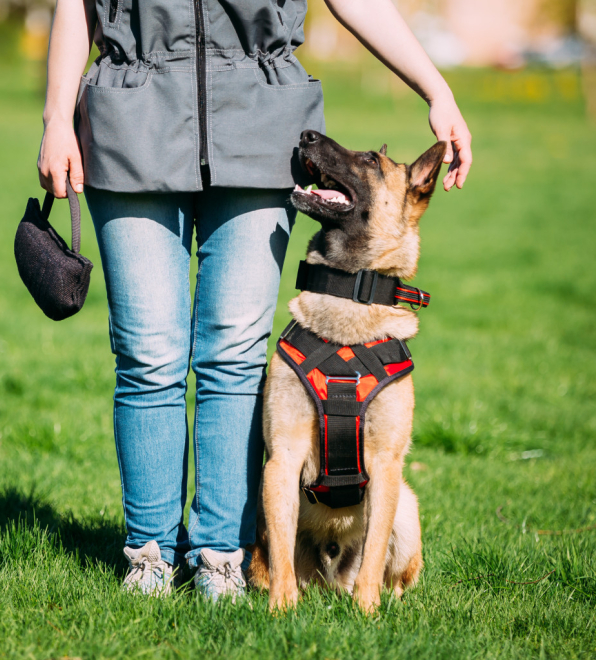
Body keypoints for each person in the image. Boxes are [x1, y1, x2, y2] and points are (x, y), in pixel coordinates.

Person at [37, 0, 472, 601]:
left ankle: (221, 557)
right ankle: (150, 556)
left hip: (258, 124)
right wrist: (58, 115)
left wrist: (435, 87)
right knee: (146, 357)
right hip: (130, 119)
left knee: (235, 358)